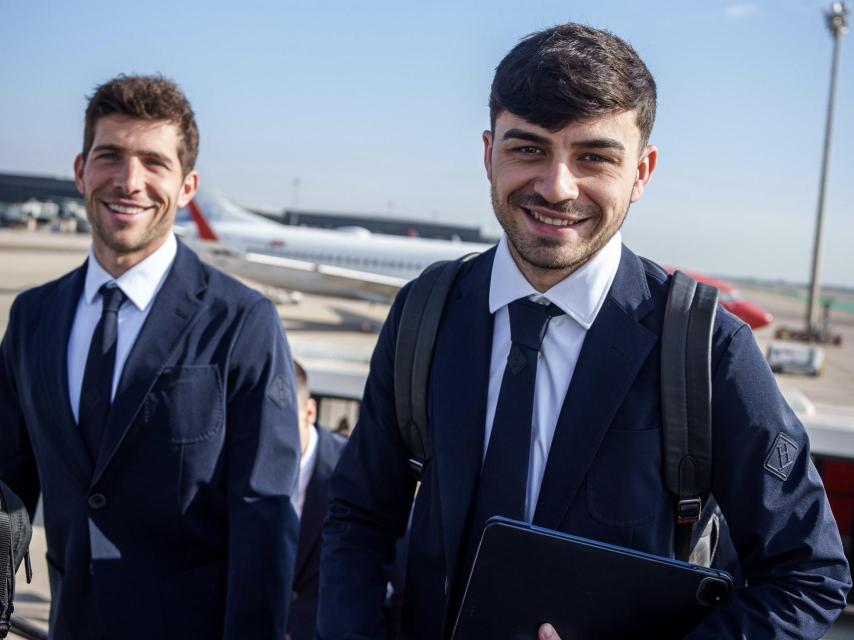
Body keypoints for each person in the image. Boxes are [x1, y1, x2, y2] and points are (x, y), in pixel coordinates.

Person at [318, 23, 851, 639]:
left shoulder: (706, 349)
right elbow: (358, 518)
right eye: (529, 149)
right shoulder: (424, 314)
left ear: (642, 172)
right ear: (489, 152)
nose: (556, 187)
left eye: (594, 156)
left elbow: (810, 575)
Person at [0, 74, 301, 639]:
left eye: (153, 162)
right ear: (80, 171)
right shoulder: (33, 317)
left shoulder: (242, 322)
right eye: (109, 155)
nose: (129, 181)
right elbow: (6, 484)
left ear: (187, 186)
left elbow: (264, 518)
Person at [288, 361, 346, 640]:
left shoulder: (352, 470)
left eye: (283, 418)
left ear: (310, 411)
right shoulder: (239, 464)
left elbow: (402, 580)